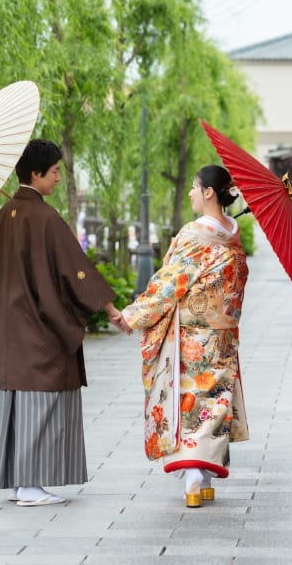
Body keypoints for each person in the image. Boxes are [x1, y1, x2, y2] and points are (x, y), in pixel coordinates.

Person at [0, 139, 129, 507]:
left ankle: (21, 482)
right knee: (44, 401)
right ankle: (32, 487)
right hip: (39, 326)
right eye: (53, 173)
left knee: (21, 403)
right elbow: (74, 269)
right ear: (35, 173)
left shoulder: (5, 215)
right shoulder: (45, 217)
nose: (57, 179)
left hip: (10, 326)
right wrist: (109, 308)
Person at [120, 165, 250, 508]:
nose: (192, 192)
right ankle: (206, 479)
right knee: (216, 403)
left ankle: (193, 479)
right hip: (223, 336)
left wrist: (133, 315)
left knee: (191, 404)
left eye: (195, 187)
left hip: (193, 336)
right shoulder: (232, 233)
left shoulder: (196, 234)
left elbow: (170, 282)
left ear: (209, 193)